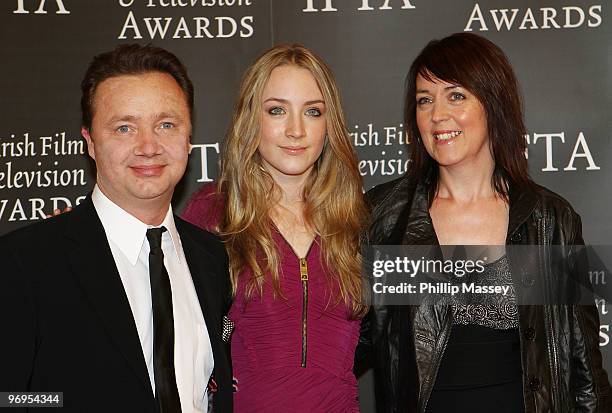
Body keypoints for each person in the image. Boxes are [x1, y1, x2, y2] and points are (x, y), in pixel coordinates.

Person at [357, 33, 611, 412]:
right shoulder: (384, 215)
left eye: (456, 96)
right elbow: (345, 342)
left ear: (493, 103)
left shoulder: (552, 219)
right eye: (424, 100)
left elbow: (585, 362)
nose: (437, 114)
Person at [0, 44, 232, 413]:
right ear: (90, 142)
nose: (148, 146)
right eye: (124, 127)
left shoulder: (212, 258)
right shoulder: (23, 264)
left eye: (166, 125)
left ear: (189, 138)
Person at [182, 44, 367, 412]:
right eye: (277, 110)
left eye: (312, 112)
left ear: (329, 124)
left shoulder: (357, 220)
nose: (296, 130)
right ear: (252, 117)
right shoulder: (213, 214)